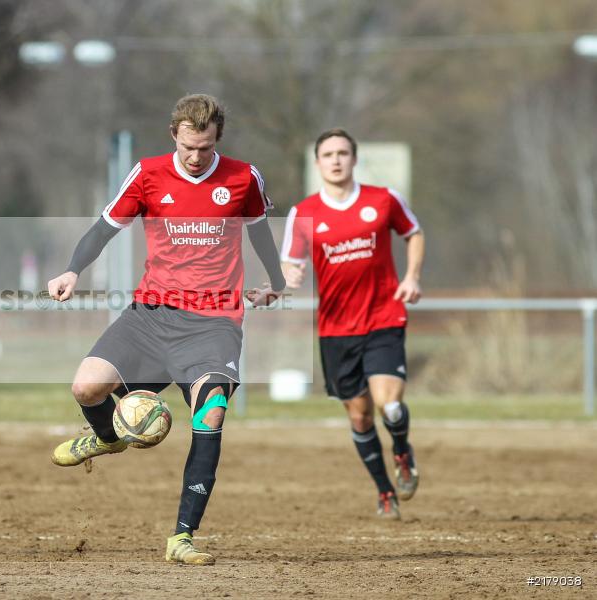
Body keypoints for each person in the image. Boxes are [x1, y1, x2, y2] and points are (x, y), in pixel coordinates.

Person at [48, 94, 285, 565]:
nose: (196, 158)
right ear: (173, 134)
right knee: (87, 386)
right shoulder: (148, 174)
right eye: (188, 147)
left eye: (206, 147)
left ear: (217, 138)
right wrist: (73, 270)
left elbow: (259, 231)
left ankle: (182, 537)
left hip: (215, 321)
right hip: (151, 315)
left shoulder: (244, 178)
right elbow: (102, 229)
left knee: (211, 412)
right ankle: (109, 438)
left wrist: (275, 283)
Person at [280, 128, 424, 519]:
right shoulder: (305, 213)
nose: (337, 160)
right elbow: (290, 260)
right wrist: (290, 274)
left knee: (388, 405)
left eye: (343, 152)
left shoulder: (383, 199)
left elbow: (413, 232)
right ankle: (385, 491)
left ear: (354, 159)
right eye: (329, 154)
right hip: (336, 330)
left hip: (383, 318)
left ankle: (403, 452)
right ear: (318, 163)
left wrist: (411, 277)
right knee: (359, 416)